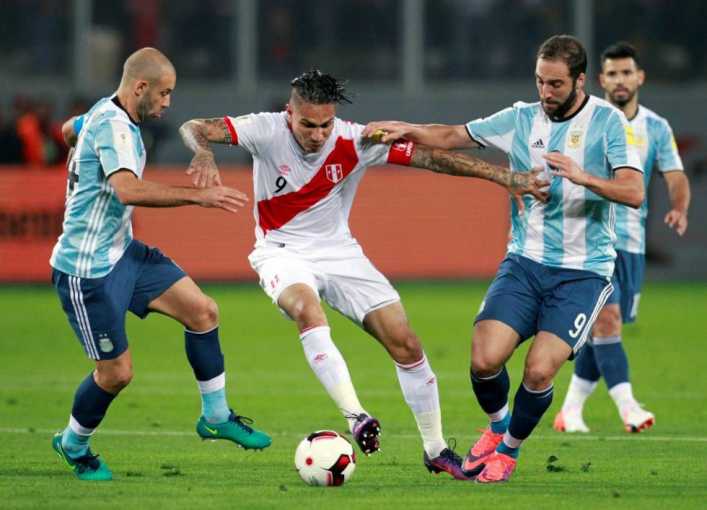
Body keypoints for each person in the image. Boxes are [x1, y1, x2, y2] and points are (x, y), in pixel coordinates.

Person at [179, 69, 547, 481]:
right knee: (307, 309)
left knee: (406, 344)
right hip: (281, 251)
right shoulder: (264, 130)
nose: (318, 135)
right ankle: (356, 416)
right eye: (307, 124)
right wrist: (204, 152)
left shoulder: (354, 140)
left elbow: (433, 159)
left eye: (325, 124)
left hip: (340, 253)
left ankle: (436, 448)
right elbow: (193, 127)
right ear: (289, 113)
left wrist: (504, 176)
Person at [363, 35, 645, 483]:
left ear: (579, 80)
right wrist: (407, 128)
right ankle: (497, 429)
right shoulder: (520, 118)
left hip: (583, 273)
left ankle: (509, 451)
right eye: (539, 81)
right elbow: (455, 135)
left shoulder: (608, 123)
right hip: (525, 263)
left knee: (537, 370)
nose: (545, 92)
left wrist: (582, 177)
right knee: (484, 360)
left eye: (555, 84)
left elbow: (633, 191)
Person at [50, 47, 271, 482]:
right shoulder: (112, 125)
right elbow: (128, 191)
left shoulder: (102, 112)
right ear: (140, 88)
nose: (169, 102)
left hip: (124, 252)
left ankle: (216, 416)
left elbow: (66, 129)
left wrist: (80, 144)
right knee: (116, 374)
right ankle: (73, 444)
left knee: (203, 311)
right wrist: (199, 196)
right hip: (87, 270)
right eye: (165, 93)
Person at [553, 42, 691, 434]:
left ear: (639, 77)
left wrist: (679, 207)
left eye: (626, 72)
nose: (619, 80)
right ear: (601, 80)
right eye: (611, 74)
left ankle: (570, 411)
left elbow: (675, 174)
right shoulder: (588, 119)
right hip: (593, 238)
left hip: (631, 244)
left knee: (606, 328)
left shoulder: (656, 127)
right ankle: (627, 406)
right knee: (607, 320)